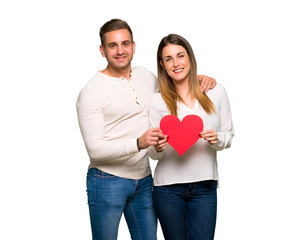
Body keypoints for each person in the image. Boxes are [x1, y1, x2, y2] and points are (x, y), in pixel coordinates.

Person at [76, 19, 216, 240]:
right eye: (113, 45)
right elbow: (94, 150)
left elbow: (175, 88)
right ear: (103, 50)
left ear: (133, 46)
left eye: (125, 43)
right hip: (106, 180)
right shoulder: (91, 92)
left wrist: (200, 79)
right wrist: (138, 143)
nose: (120, 50)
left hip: (144, 180)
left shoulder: (146, 76)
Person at [148, 34, 234, 240]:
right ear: (162, 64)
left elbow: (228, 135)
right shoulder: (157, 100)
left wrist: (217, 139)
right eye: (168, 59)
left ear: (190, 58)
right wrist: (158, 147)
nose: (176, 63)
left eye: (180, 56)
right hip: (167, 189)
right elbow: (152, 153)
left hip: (205, 186)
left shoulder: (216, 92)